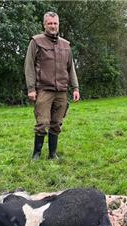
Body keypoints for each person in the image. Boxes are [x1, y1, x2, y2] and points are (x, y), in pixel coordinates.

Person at [24, 11, 80, 160]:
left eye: (55, 23)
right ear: (44, 24)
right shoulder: (36, 42)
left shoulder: (66, 45)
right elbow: (28, 66)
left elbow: (71, 68)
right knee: (42, 123)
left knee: (56, 124)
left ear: (58, 24)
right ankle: (36, 154)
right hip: (43, 89)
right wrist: (31, 89)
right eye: (50, 23)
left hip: (61, 91)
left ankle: (52, 154)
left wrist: (75, 88)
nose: (53, 26)